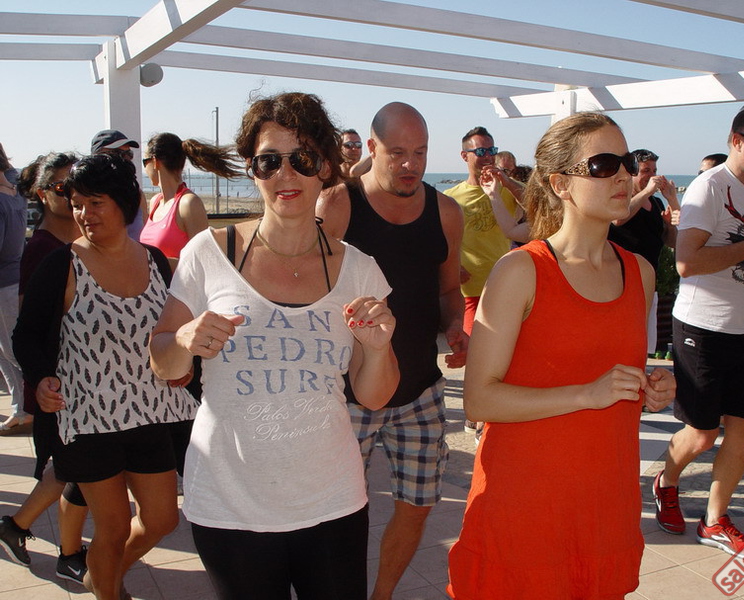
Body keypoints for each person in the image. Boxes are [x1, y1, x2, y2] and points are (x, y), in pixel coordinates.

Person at [149, 92, 400, 600]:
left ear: (324, 167)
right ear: (252, 169)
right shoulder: (208, 253)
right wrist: (184, 339)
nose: (286, 174)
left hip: (332, 500)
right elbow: (162, 361)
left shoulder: (360, 269)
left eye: (302, 158)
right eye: (269, 160)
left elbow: (375, 396)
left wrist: (377, 348)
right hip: (229, 503)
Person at [447, 112, 675, 599]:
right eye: (603, 164)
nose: (623, 175)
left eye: (626, 162)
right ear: (560, 184)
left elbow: (610, 373)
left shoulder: (640, 272)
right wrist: (586, 394)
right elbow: (479, 400)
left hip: (605, 502)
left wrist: (651, 387)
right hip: (527, 503)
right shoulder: (521, 271)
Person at [13, 153, 197, 600]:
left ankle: (102, 576)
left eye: (95, 202)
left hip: (151, 413)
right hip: (89, 419)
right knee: (112, 528)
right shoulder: (61, 264)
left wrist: (183, 364)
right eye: (77, 203)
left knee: (162, 520)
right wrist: (41, 378)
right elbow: (26, 335)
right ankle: (109, 589)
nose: (84, 213)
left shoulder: (155, 261)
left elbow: (174, 329)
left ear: (123, 203)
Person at [316, 101, 467, 600]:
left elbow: (449, 289)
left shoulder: (446, 212)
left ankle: (380, 595)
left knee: (418, 504)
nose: (410, 164)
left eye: (420, 153)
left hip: (419, 390)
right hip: (346, 394)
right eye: (398, 152)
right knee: (336, 511)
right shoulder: (339, 204)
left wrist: (457, 326)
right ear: (372, 147)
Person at [655, 100, 744, 556]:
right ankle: (666, 482)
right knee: (701, 433)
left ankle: (714, 520)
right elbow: (687, 262)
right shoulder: (708, 188)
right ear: (737, 140)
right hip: (703, 328)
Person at [0, 153, 90, 583]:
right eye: (60, 187)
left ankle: (55, 547)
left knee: (77, 468)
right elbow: (28, 328)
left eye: (76, 184)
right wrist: (41, 381)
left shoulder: (79, 241)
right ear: (41, 194)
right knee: (75, 467)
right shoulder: (42, 250)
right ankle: (46, 542)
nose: (71, 193)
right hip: (61, 384)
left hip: (84, 380)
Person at [444, 127, 517, 337]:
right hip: (470, 292)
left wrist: (507, 182)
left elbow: (537, 204)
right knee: (471, 347)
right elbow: (437, 242)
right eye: (481, 151)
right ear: (464, 156)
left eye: (492, 150)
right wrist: (453, 267)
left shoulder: (505, 188)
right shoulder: (450, 198)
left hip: (505, 285)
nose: (488, 157)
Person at [608, 148, 678, 354]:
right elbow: (618, 219)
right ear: (632, 173)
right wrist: (647, 191)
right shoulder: (621, 198)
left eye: (654, 170)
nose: (652, 176)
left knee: (643, 341)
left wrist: (670, 223)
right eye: (646, 171)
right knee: (621, 339)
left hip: (648, 280)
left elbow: (671, 242)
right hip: (620, 279)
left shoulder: (656, 203)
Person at [140, 132, 242, 268]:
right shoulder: (155, 202)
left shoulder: (188, 204)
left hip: (177, 282)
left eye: (144, 162)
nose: (144, 169)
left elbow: (203, 261)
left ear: (155, 162)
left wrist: (158, 262)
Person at [0, 142, 30, 434]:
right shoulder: (15, 187)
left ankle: (28, 408)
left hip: (4, 284)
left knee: (11, 352)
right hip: (14, 280)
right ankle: (22, 409)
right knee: (8, 351)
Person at [91, 129, 149, 241]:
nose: (125, 159)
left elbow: (146, 237)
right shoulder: (84, 196)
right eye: (117, 153)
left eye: (129, 154)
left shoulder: (136, 195)